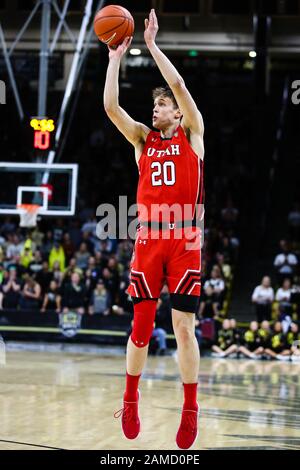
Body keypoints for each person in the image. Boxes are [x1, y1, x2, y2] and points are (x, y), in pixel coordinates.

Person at [105, 9, 204, 449]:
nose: (157, 109)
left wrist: (152, 44)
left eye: (162, 105)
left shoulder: (193, 134)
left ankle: (190, 408)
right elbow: (110, 107)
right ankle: (130, 399)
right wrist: (114, 57)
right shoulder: (143, 140)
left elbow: (180, 87)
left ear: (178, 115)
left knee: (184, 327)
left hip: (185, 238)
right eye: (155, 105)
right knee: (141, 326)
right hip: (148, 237)